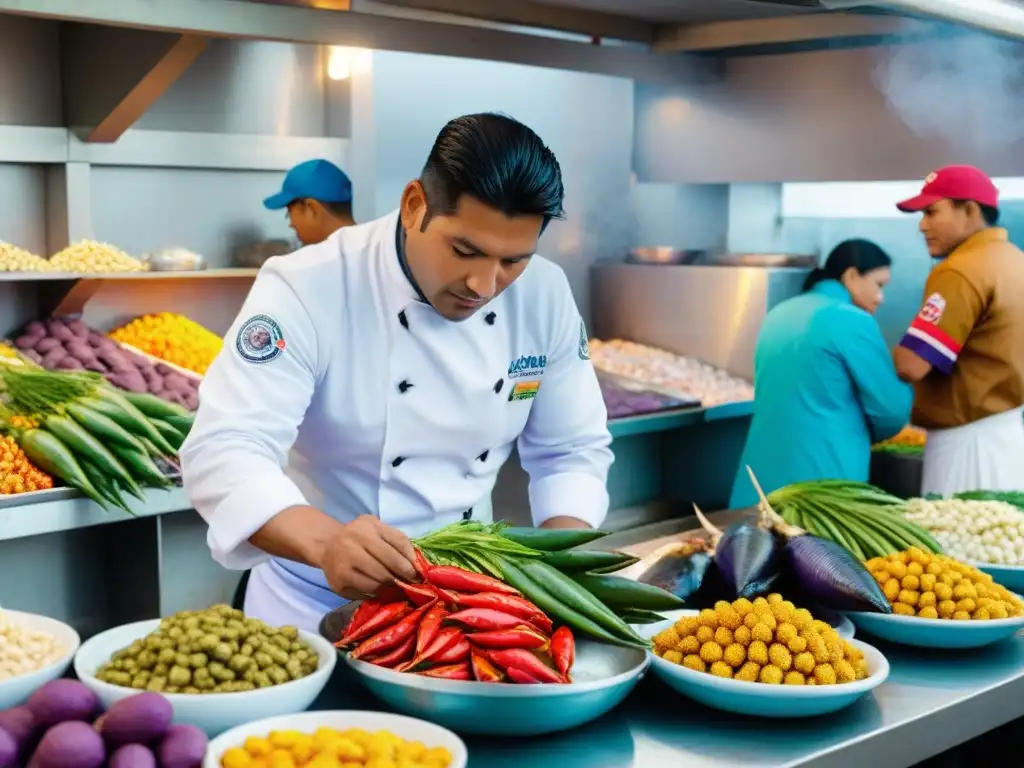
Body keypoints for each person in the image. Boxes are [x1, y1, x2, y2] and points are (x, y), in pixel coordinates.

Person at [182, 113, 614, 630]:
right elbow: (224, 448)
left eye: (512, 261)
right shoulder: (309, 284)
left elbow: (571, 451)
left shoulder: (544, 293)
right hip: (309, 606)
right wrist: (326, 544)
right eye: (464, 250)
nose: (483, 283)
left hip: (463, 612)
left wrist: (555, 577)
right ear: (414, 206)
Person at [728, 239, 912, 508]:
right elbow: (891, 409)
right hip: (822, 484)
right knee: (815, 550)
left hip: (759, 481)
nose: (880, 297)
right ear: (851, 275)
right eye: (879, 285)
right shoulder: (852, 320)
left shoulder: (780, 312)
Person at [892, 165, 1024, 495]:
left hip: (966, 447)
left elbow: (911, 365)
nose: (922, 225)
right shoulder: (1014, 260)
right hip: (1007, 436)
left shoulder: (960, 271)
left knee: (952, 545)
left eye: (931, 211)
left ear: (969, 210)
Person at [264, 159, 356, 246]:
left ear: (311, 208)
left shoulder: (305, 262)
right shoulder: (369, 250)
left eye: (289, 213)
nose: (291, 224)